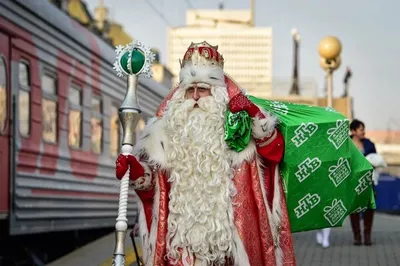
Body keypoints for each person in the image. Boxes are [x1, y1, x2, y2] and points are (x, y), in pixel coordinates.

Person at [115, 41, 296, 266]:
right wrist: (138, 173)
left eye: (203, 89)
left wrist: (254, 114)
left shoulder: (241, 132)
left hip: (232, 252)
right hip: (182, 252)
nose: (196, 96)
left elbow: (274, 154)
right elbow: (156, 194)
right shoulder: (166, 137)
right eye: (190, 90)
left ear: (218, 93)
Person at [349, 119, 377, 246]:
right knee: (354, 209)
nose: (363, 132)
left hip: (367, 181)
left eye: (363, 129)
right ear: (353, 131)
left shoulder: (369, 144)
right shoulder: (345, 144)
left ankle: (367, 236)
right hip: (352, 182)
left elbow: (376, 160)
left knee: (369, 208)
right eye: (361, 129)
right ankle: (357, 236)